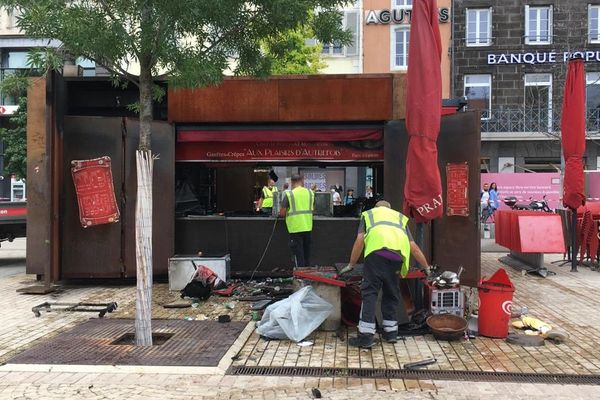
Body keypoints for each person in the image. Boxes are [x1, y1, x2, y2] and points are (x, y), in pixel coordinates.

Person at [341, 200, 431, 348]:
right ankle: (391, 334)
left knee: (370, 293)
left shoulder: (369, 215)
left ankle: (366, 336)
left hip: (376, 255)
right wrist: (426, 267)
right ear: (390, 209)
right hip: (396, 258)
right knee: (391, 293)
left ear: (376, 208)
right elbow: (413, 246)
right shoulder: (399, 218)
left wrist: (351, 264)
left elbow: (359, 240)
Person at [279, 174, 314, 268]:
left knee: (298, 256)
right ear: (302, 181)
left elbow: (282, 213)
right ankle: (307, 276)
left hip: (295, 229)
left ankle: (300, 277)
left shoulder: (289, 194)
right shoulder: (310, 193)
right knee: (307, 255)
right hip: (308, 227)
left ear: (291, 182)